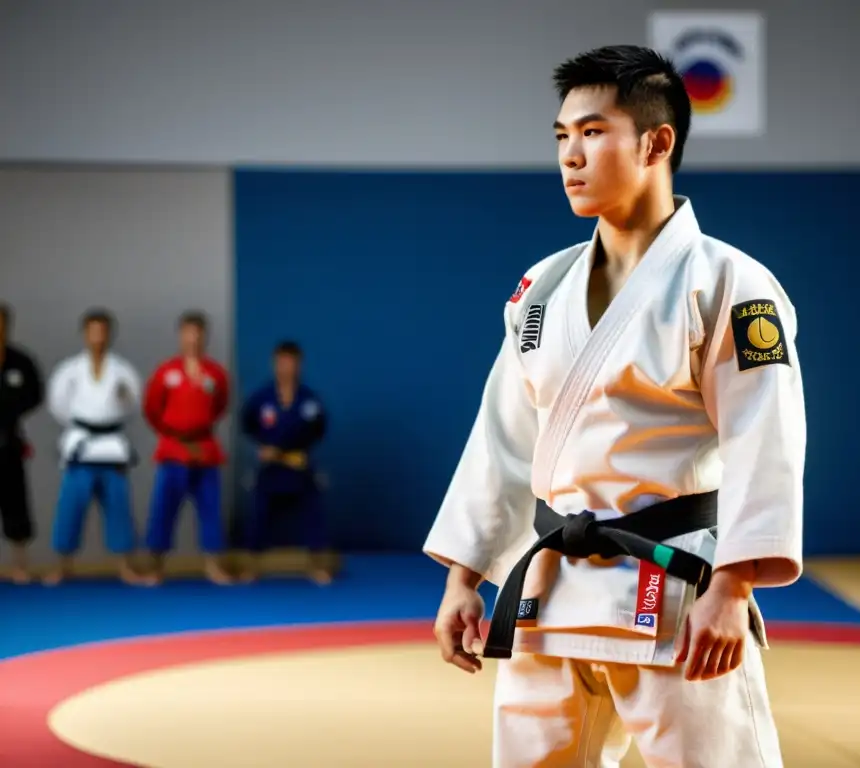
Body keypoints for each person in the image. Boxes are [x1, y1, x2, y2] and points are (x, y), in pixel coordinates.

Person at [423, 45, 805, 767]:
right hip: (547, 594)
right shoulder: (542, 286)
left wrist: (733, 586)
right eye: (562, 137)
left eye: (593, 132)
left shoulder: (729, 283)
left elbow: (768, 438)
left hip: (673, 590)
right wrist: (465, 575)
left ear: (656, 142)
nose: (570, 155)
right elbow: (504, 438)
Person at [45, 308, 151, 586]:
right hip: (82, 442)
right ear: (84, 334)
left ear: (110, 335)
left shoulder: (123, 370)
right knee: (70, 507)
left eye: (102, 331)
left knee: (119, 507)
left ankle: (125, 567)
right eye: (93, 331)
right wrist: (81, 425)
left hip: (112, 445)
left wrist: (124, 398)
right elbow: (57, 403)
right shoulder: (69, 369)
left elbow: (135, 404)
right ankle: (62, 566)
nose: (98, 337)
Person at [142, 311, 232, 585]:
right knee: (164, 509)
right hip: (173, 449)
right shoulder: (165, 372)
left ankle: (213, 566)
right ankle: (156, 567)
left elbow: (220, 406)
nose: (193, 339)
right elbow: (151, 409)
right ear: (180, 336)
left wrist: (198, 431)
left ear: (205, 336)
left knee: (210, 509)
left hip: (205, 449)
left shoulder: (215, 374)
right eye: (187, 333)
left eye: (198, 333)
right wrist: (176, 435)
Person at [238, 341, 331, 585]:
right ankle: (252, 565)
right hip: (270, 466)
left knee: (313, 512)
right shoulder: (262, 398)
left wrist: (304, 451)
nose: (287, 368)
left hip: (298, 464)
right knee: (258, 512)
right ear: (275, 364)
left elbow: (320, 428)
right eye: (282, 363)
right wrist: (262, 447)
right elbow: (246, 424)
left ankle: (317, 565)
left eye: (292, 363)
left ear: (299, 365)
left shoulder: (309, 399)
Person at [0, 303, 44, 584]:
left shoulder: (21, 361)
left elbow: (35, 394)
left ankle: (20, 565)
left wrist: (11, 411)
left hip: (9, 440)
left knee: (16, 504)